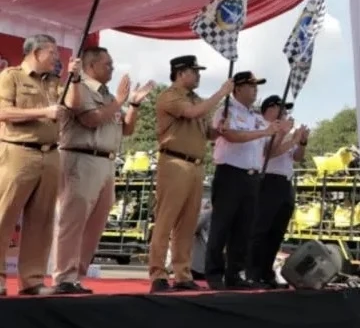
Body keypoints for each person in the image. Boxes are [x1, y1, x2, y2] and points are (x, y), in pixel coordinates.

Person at [53, 47, 153, 294]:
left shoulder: (108, 95)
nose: (112, 68)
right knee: (73, 219)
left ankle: (77, 275)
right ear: (91, 66)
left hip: (107, 161)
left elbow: (125, 130)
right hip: (80, 156)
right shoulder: (80, 88)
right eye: (107, 64)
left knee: (96, 222)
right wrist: (119, 100)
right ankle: (63, 276)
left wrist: (133, 105)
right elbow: (90, 119)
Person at [0, 34, 80, 296]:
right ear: (36, 53)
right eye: (52, 53)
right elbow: (3, 112)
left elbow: (73, 105)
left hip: (50, 154)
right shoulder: (11, 76)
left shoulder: (54, 82)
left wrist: (75, 78)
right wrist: (42, 113)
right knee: (4, 215)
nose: (57, 58)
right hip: (17, 152)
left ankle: (32, 280)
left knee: (42, 219)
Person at [148, 55, 234, 293]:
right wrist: (221, 93)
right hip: (174, 162)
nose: (198, 75)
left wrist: (218, 131)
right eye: (194, 71)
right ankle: (158, 274)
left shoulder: (195, 99)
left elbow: (205, 131)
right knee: (166, 220)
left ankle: (182, 273)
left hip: (195, 165)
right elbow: (193, 113)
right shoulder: (171, 96)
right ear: (180, 72)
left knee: (187, 224)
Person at [206, 71, 285, 290]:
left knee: (243, 228)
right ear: (237, 89)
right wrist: (264, 133)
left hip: (252, 176)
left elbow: (268, 150)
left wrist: (279, 134)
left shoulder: (256, 117)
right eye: (251, 86)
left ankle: (234, 274)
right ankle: (213, 274)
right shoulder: (226, 111)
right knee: (222, 225)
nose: (255, 90)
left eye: (256, 86)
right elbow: (231, 136)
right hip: (230, 172)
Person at [248, 95, 306, 287]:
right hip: (268, 180)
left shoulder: (286, 132)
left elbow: (297, 157)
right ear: (270, 109)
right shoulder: (263, 127)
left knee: (277, 231)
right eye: (281, 109)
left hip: (285, 181)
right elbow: (269, 153)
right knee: (261, 229)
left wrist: (301, 142)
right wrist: (287, 137)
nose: (285, 114)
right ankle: (253, 272)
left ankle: (266, 271)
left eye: (286, 110)